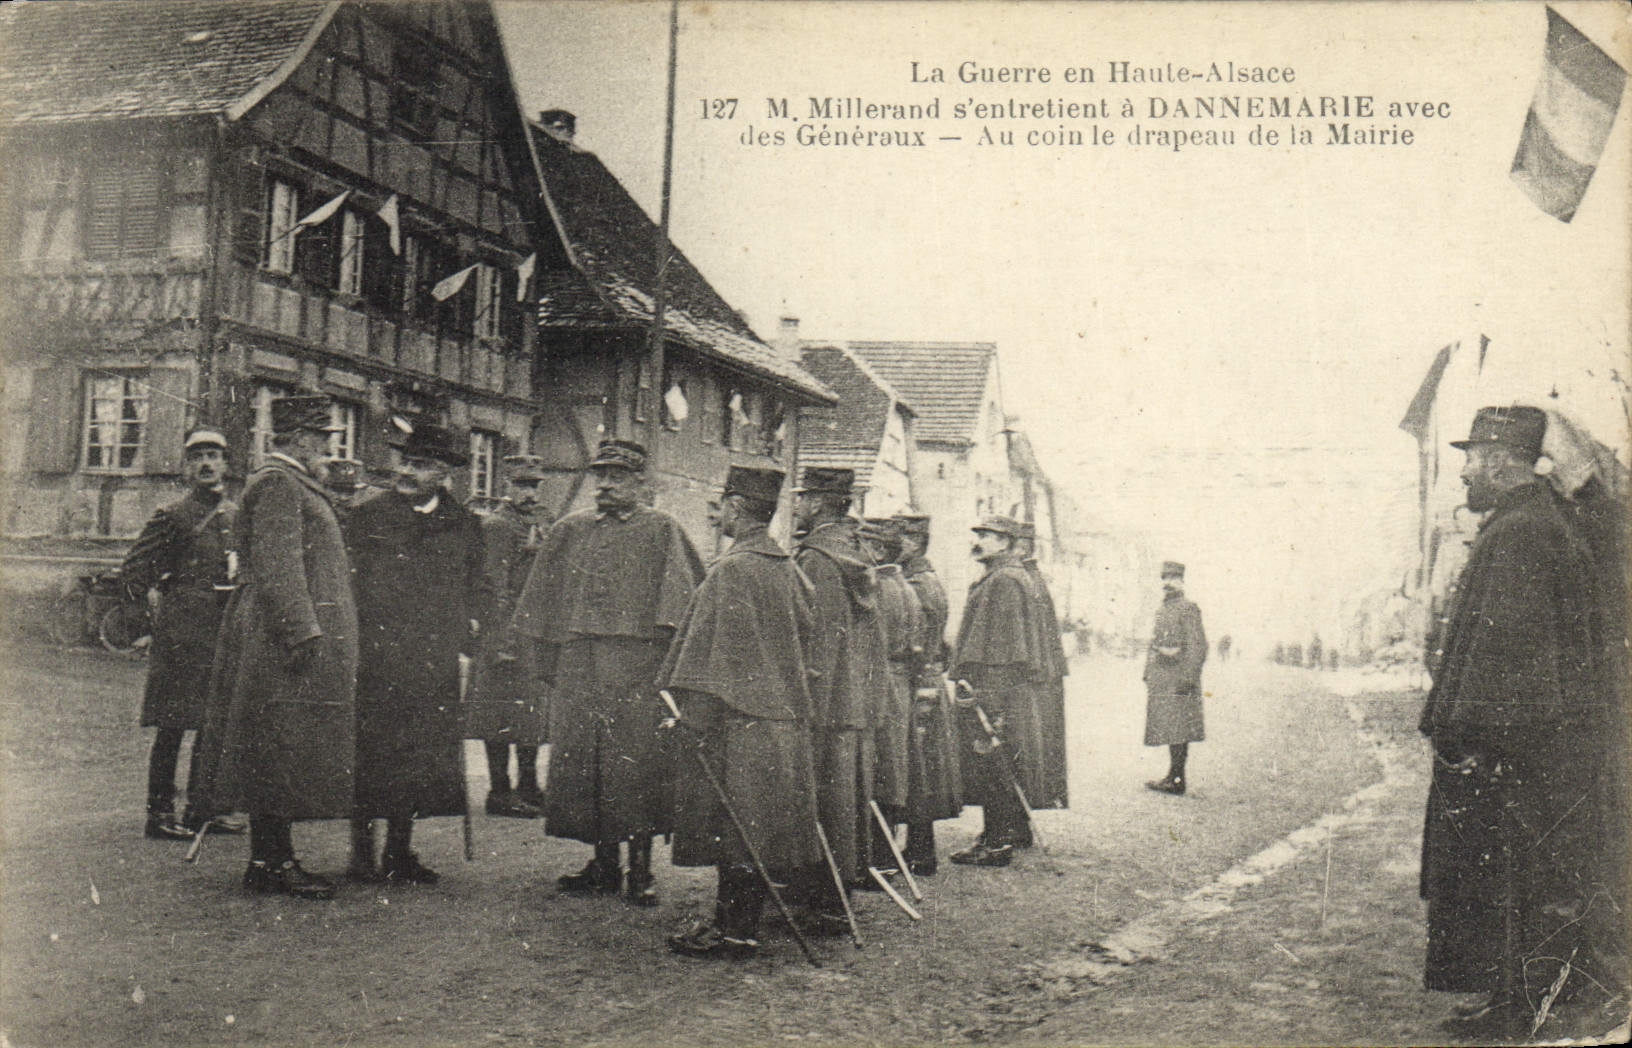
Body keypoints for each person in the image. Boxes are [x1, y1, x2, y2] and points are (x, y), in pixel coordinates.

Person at [1418, 406, 1615, 1038]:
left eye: (1471, 458)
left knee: (1515, 874)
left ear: (1502, 461)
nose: (1466, 473)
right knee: (1516, 873)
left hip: (1520, 751)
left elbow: (1513, 659)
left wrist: (1481, 741)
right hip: (1534, 746)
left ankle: (1521, 1005)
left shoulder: (1524, 533)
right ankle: (1513, 994)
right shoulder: (1527, 524)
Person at [509, 439, 703, 906]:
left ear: (641, 484)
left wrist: (665, 669)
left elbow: (685, 603)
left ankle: (640, 870)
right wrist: (545, 660)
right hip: (579, 666)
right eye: (602, 475)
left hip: (636, 668)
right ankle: (602, 864)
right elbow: (539, 603)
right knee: (584, 763)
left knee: (633, 766)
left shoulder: (663, 530)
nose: (607, 485)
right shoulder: (569, 530)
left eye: (618, 476)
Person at [190, 395, 356, 899]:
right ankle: (270, 861)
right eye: (323, 439)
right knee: (275, 744)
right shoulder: (281, 483)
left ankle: (273, 858)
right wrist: (302, 630)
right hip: (278, 637)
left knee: (282, 743)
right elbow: (279, 565)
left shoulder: (289, 482)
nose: (327, 449)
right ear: (301, 440)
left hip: (279, 633)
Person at [659, 466, 824, 957]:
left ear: (734, 507)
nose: (717, 512)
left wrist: (691, 720)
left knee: (736, 832)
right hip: (783, 724)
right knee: (756, 831)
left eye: (721, 503)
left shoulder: (732, 571)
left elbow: (715, 656)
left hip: (741, 727)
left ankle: (734, 934)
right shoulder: (787, 568)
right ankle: (738, 928)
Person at [342, 422, 482, 885]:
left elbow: (478, 587)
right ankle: (362, 852)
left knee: (417, 756)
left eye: (420, 465)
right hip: (375, 655)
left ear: (444, 475)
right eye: (405, 461)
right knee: (369, 752)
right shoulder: (368, 516)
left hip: (432, 659)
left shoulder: (464, 525)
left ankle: (399, 850)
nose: (406, 471)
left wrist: (472, 629)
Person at [123, 429, 244, 841]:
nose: (206, 464)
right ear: (186, 467)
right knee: (173, 725)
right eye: (197, 458)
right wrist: (151, 619)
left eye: (213, 456)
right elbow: (136, 571)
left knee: (214, 724)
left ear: (227, 463)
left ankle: (202, 809)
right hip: (181, 634)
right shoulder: (172, 515)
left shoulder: (233, 514)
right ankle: (158, 814)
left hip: (222, 632)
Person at [792, 468, 888, 904]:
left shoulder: (817, 559)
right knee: (842, 800)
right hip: (853, 699)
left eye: (802, 498)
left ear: (815, 503)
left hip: (825, 703)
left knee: (824, 801)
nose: (796, 506)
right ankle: (833, 890)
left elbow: (818, 638)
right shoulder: (857, 551)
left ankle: (826, 895)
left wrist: (805, 701)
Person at [949, 516, 1048, 867]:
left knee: (993, 762)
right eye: (978, 535)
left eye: (987, 536)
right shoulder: (1006, 576)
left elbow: (1006, 646)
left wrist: (985, 691)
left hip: (997, 688)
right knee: (999, 762)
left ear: (1005, 542)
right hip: (1002, 688)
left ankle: (996, 844)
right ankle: (1003, 835)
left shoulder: (1005, 580)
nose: (979, 541)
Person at [468, 454, 552, 819]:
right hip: (504, 628)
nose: (529, 493)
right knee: (500, 712)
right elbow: (493, 584)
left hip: (533, 628)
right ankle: (499, 791)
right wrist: (501, 639)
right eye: (521, 485)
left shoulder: (541, 521)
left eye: (533, 485)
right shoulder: (497, 526)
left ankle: (530, 786)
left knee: (531, 713)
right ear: (506, 485)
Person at [893, 513, 962, 876]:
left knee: (916, 770)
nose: (893, 543)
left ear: (915, 542)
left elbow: (919, 642)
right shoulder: (925, 579)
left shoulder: (918, 584)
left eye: (900, 538)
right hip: (927, 682)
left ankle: (917, 854)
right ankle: (919, 851)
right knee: (921, 770)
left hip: (920, 686)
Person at [858, 517, 921, 883]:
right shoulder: (903, 585)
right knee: (891, 772)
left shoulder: (880, 588)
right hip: (896, 687)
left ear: (879, 550)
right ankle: (884, 857)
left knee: (878, 773)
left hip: (881, 687)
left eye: (863, 543)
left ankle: (878, 861)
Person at [1015, 521, 1070, 811]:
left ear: (1022, 547)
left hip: (1037, 676)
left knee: (1028, 747)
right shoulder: (1031, 577)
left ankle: (1021, 816)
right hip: (1043, 673)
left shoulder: (1025, 579)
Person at [1143, 561, 1207, 796]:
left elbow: (1198, 646)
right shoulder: (1162, 610)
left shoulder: (1188, 608)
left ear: (1182, 581)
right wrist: (1147, 672)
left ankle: (1178, 779)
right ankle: (1172, 775)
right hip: (1162, 678)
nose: (1167, 583)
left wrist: (1188, 678)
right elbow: (1154, 642)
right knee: (1170, 729)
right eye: (1164, 578)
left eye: (1173, 578)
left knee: (1180, 730)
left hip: (1179, 678)